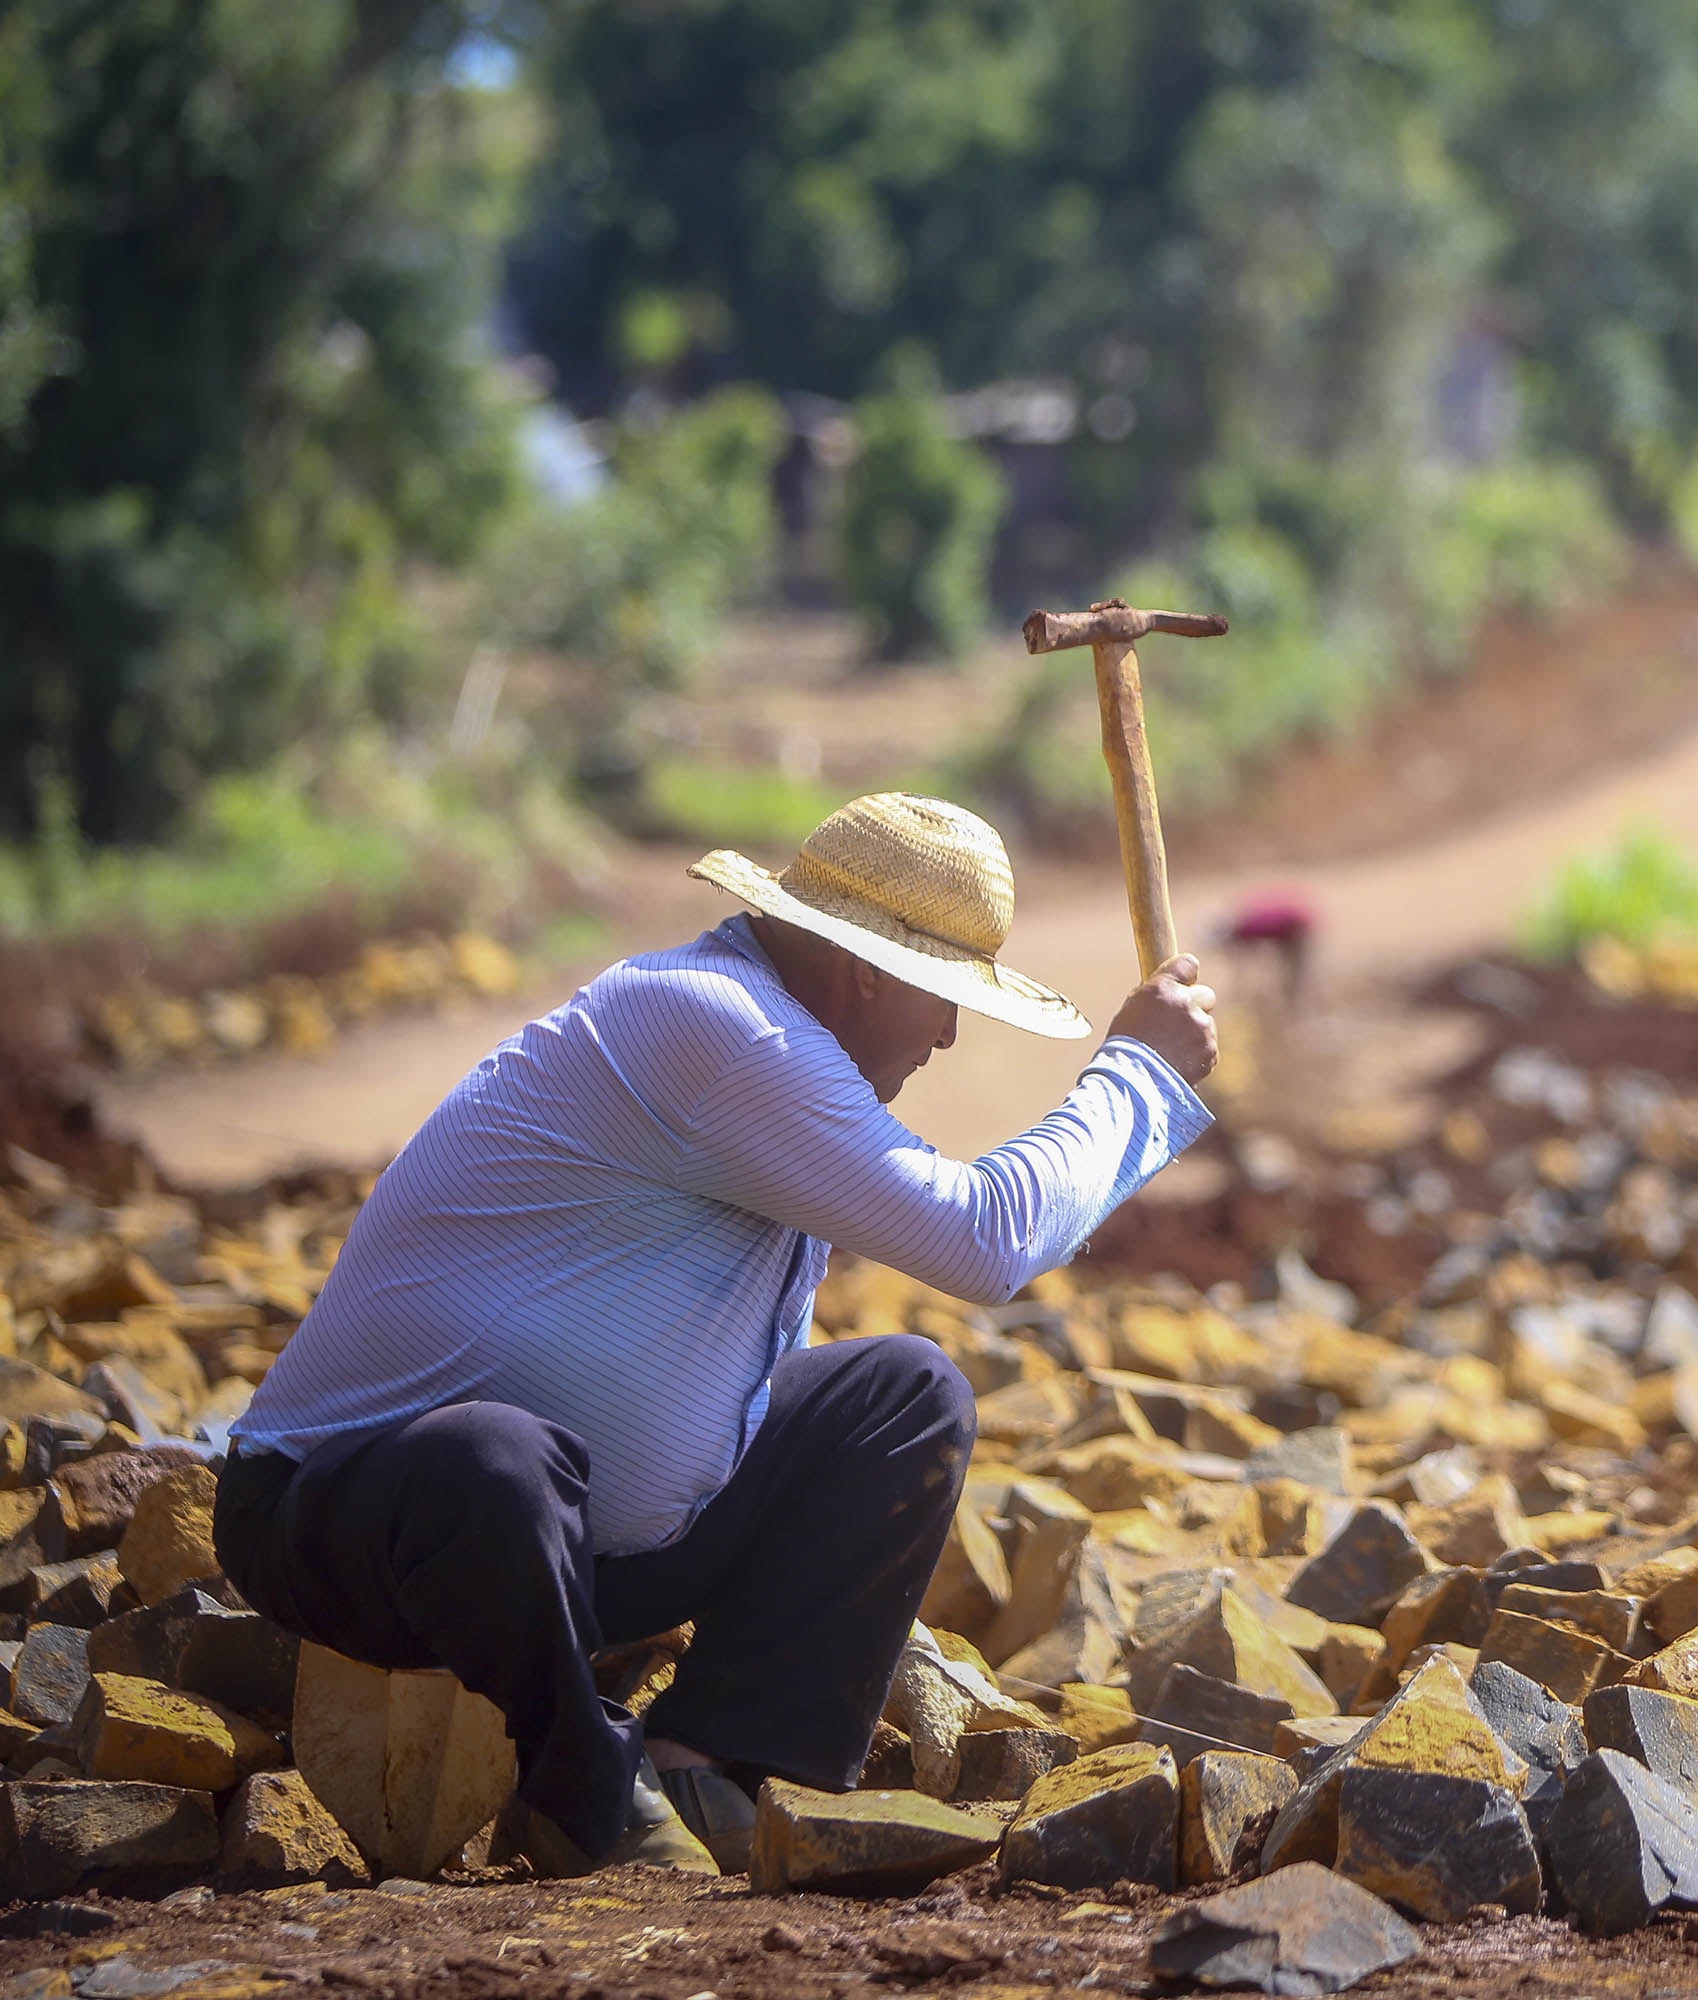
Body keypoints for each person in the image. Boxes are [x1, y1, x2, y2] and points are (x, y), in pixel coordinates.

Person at [213, 793, 1219, 1877]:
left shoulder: (772, 1036)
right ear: (867, 970)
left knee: (904, 1395)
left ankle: (711, 1761)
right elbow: (986, 1239)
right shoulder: (715, 1025)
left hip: (582, 1560)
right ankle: (585, 1788)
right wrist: (1139, 1073)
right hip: (350, 1531)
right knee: (496, 1458)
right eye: (941, 999)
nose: (948, 1035)